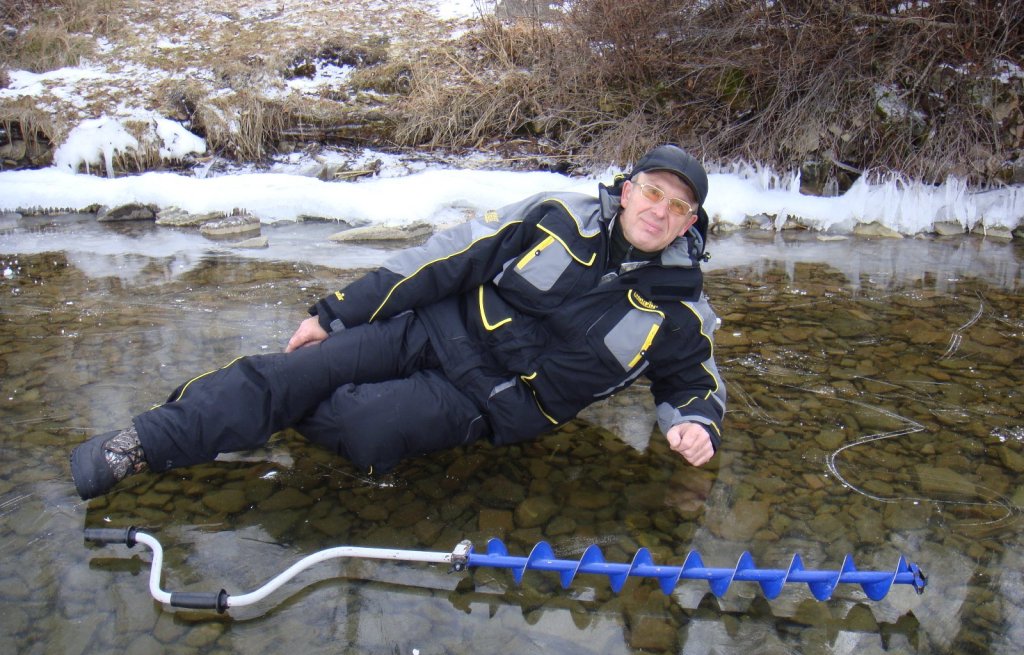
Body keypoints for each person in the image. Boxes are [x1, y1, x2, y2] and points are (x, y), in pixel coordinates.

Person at [71, 144, 727, 500]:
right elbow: (444, 259)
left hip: (491, 401)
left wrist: (695, 425)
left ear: (688, 222)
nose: (659, 211)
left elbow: (694, 383)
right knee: (304, 364)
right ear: (626, 187)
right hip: (434, 327)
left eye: (677, 206)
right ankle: (139, 445)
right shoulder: (555, 214)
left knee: (365, 429)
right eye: (651, 192)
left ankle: (266, 408)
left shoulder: (681, 313)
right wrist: (337, 314)